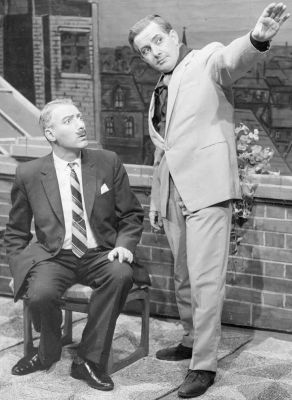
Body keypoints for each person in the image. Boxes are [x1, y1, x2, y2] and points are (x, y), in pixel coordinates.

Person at [128, 3, 289, 398]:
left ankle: (203, 365)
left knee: (204, 282)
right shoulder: (161, 88)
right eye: (144, 52)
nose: (153, 54)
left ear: (172, 36)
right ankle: (189, 338)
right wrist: (155, 200)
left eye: (156, 43)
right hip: (171, 195)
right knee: (184, 276)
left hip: (207, 191)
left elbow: (231, 60)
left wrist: (257, 38)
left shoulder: (204, 62)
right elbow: (163, 147)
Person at [4, 98, 144, 391]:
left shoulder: (108, 162)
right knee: (40, 292)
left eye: (80, 117)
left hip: (100, 252)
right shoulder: (29, 174)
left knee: (121, 274)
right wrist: (18, 270)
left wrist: (125, 244)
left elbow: (130, 214)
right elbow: (16, 232)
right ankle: (47, 353)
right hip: (55, 256)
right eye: (69, 120)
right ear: (51, 134)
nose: (81, 124)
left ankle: (88, 361)